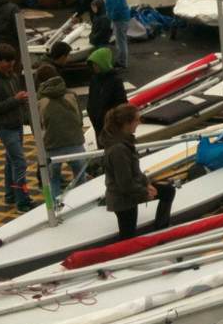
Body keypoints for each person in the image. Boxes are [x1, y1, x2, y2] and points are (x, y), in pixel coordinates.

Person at [102, 103, 175, 239]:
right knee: (128, 236)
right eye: (137, 120)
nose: (139, 123)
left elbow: (135, 171)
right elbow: (125, 184)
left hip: (129, 193)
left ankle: (161, 229)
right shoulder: (119, 149)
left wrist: (147, 183)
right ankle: (125, 254)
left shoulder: (124, 141)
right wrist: (144, 192)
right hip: (123, 199)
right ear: (127, 123)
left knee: (168, 191)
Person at [0, 44, 34, 212]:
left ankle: (10, 195)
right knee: (19, 163)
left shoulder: (12, 77)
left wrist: (24, 112)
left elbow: (17, 100)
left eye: (12, 60)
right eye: (6, 61)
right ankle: (23, 200)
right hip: (5, 127)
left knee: (10, 161)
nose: (10, 64)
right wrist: (15, 100)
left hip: (16, 124)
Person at [36, 63, 86, 200]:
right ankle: (82, 203)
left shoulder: (40, 101)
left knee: (52, 181)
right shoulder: (71, 95)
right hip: (75, 142)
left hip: (52, 146)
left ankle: (54, 210)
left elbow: (37, 126)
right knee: (80, 178)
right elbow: (79, 119)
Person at [86, 47, 127, 147]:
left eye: (96, 64)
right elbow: (91, 99)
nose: (94, 67)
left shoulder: (115, 80)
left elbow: (121, 102)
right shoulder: (94, 79)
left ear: (102, 63)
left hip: (110, 125)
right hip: (97, 123)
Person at [96, 0, 130, 69]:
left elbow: (115, 6)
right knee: (120, 41)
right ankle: (121, 61)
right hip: (121, 17)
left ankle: (122, 63)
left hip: (119, 18)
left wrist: (110, 18)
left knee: (121, 42)